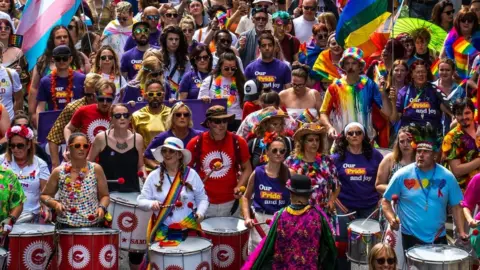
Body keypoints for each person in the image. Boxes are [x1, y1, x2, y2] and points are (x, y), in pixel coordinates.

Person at [382, 124, 468, 251]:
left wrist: (461, 231)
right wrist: (391, 218)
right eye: (418, 151)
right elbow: (385, 200)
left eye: (425, 152)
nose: (420, 155)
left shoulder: (447, 177)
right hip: (410, 237)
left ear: (434, 155)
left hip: (438, 237)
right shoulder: (402, 175)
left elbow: (456, 206)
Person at [137, 137, 209, 268]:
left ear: (179, 154)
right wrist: (151, 204)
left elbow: (202, 198)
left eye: (171, 151)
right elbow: (141, 200)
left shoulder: (191, 175)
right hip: (163, 231)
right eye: (164, 151)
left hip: (188, 229)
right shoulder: (154, 175)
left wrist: (200, 213)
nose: (167, 154)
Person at [242, 174, 336, 269]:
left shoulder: (280, 216)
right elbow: (329, 247)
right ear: (309, 194)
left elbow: (268, 247)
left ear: (290, 194)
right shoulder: (318, 217)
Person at [331, 122, 384, 268]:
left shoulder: (376, 155)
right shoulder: (336, 158)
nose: (354, 136)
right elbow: (330, 186)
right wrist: (340, 207)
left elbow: (384, 179)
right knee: (343, 244)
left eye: (358, 133)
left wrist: (380, 200)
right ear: (345, 137)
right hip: (345, 207)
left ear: (364, 135)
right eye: (351, 133)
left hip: (370, 207)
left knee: (370, 245)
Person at [186, 105, 252, 217]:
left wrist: (239, 186)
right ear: (208, 123)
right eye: (217, 121)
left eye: (224, 120)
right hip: (204, 203)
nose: (221, 125)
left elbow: (247, 168)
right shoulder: (196, 142)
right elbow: (185, 171)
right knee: (204, 235)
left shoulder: (238, 141)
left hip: (231, 202)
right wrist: (194, 189)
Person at [41, 132, 110, 228]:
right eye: (77, 146)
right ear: (69, 148)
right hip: (65, 225)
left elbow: (105, 196)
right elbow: (44, 195)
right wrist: (55, 204)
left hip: (92, 225)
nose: (82, 149)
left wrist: (102, 207)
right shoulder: (59, 171)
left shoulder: (96, 169)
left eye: (85, 146)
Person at [320, 48, 391, 140]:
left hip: (365, 141)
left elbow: (387, 113)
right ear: (343, 66)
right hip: (342, 140)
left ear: (360, 66)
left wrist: (383, 93)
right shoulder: (335, 87)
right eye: (347, 63)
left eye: (354, 63)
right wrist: (329, 127)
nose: (350, 67)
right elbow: (323, 112)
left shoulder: (369, 85)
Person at [28, 25, 89, 126]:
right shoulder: (43, 60)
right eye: (58, 37)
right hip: (50, 113)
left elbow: (88, 84)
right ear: (52, 40)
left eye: (65, 37)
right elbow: (34, 88)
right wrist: (33, 113)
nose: (62, 39)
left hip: (76, 115)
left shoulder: (80, 58)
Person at [242, 132, 290, 253]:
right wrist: (247, 218)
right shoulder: (258, 172)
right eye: (274, 151)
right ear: (267, 152)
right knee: (257, 260)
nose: (278, 154)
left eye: (282, 151)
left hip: (281, 221)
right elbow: (245, 197)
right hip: (260, 221)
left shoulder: (290, 174)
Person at [47, 73, 101, 169]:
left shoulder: (109, 108)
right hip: (79, 158)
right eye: (88, 95)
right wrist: (55, 164)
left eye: (95, 95)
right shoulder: (73, 108)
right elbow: (53, 136)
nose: (92, 98)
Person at [89, 103, 144, 192]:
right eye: (118, 116)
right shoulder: (101, 138)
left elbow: (141, 166)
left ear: (130, 118)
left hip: (132, 191)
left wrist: (145, 177)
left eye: (125, 115)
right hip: (107, 193)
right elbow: (89, 163)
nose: (122, 118)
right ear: (111, 120)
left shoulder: (138, 138)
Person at [0, 126, 49, 223]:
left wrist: (46, 209)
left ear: (29, 145)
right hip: (5, 217)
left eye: (20, 145)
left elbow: (45, 193)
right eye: (12, 145)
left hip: (32, 216)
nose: (16, 149)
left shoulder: (40, 164)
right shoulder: (1, 161)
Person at [286, 122, 339, 211]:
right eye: (310, 140)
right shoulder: (291, 161)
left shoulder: (326, 161)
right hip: (299, 212)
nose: (314, 143)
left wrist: (331, 200)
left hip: (323, 212)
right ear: (302, 142)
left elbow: (337, 185)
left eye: (317, 140)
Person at [392, 60, 452, 133]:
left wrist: (452, 115)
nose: (421, 74)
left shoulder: (435, 90)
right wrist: (393, 102)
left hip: (432, 136)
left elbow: (446, 107)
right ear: (412, 74)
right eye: (417, 72)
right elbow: (394, 119)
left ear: (427, 73)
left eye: (423, 72)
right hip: (410, 137)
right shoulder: (404, 92)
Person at [144, 102, 201, 169]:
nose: (182, 117)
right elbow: (146, 157)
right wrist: (159, 168)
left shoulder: (199, 136)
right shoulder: (162, 137)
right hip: (169, 176)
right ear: (172, 118)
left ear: (189, 118)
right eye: (178, 114)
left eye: (186, 115)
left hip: (192, 176)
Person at [198, 50, 245, 130]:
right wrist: (204, 98)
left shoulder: (241, 81)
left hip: (236, 119)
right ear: (220, 66)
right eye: (226, 68)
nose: (230, 71)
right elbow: (200, 101)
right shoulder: (209, 80)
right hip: (217, 120)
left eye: (233, 68)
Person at [35, 45, 86, 119]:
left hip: (77, 123)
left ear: (70, 59)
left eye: (64, 58)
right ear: (53, 59)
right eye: (58, 58)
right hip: (53, 124)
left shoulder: (82, 78)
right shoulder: (45, 81)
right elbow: (40, 107)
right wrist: (41, 128)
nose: (61, 61)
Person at [131, 79, 172, 170]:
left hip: (171, 165)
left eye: (158, 94)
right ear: (145, 96)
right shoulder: (136, 116)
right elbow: (133, 145)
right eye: (150, 94)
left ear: (163, 95)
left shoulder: (173, 114)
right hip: (146, 168)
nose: (154, 97)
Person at [442, 98, 480, 191]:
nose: (463, 117)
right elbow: (457, 171)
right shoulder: (451, 138)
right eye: (459, 114)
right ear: (454, 116)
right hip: (463, 192)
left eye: (467, 113)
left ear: (473, 112)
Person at [63, 79, 113, 144]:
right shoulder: (83, 110)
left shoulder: (119, 114)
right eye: (101, 99)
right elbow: (68, 128)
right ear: (95, 97)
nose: (105, 103)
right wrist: (69, 145)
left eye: (108, 100)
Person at [376, 126, 415, 195]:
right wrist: (397, 189)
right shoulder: (389, 159)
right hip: (393, 201)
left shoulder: (421, 160)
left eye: (409, 141)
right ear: (398, 143)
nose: (405, 145)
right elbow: (379, 185)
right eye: (402, 141)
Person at [161, 25, 190, 100]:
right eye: (170, 39)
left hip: (179, 99)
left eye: (176, 39)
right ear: (165, 40)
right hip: (161, 97)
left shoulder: (185, 60)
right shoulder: (158, 57)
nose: (174, 42)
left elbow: (187, 80)